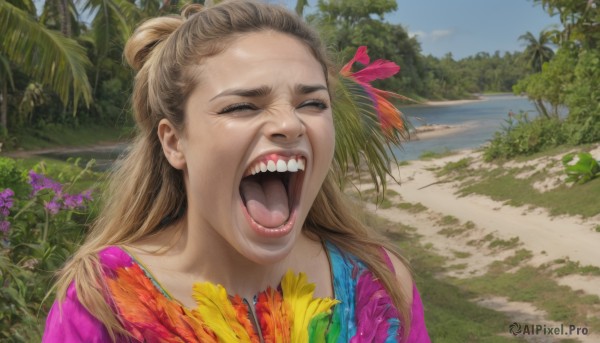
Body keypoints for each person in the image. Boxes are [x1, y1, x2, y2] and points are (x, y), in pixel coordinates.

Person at [43, 1, 430, 342]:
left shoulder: (381, 283)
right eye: (242, 106)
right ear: (174, 141)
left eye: (312, 103)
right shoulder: (104, 303)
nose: (290, 124)